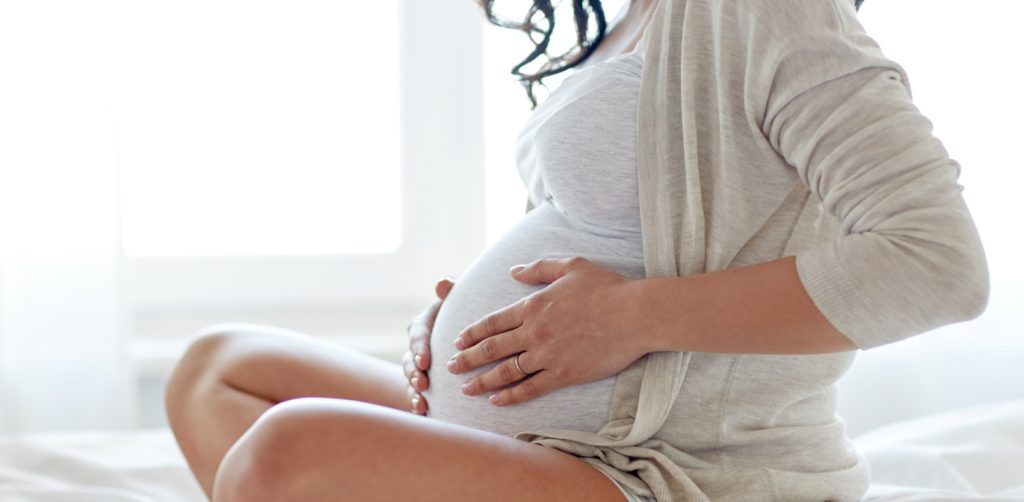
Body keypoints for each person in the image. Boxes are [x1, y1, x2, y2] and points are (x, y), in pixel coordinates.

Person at [164, 0, 990, 500]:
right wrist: (457, 322)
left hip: (662, 470)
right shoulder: (635, 19)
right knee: (220, 368)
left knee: (287, 453)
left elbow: (936, 263)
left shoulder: (764, 10)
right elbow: (611, 240)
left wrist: (626, 319)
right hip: (540, 443)